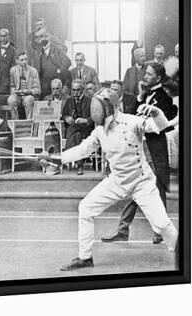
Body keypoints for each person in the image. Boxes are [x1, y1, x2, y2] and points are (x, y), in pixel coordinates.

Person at [40, 88, 178, 271]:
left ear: (110, 107)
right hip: (117, 181)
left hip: (141, 182)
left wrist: (155, 112)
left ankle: (180, 250)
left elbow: (161, 126)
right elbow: (81, 150)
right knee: (86, 208)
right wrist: (55, 158)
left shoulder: (132, 122)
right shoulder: (99, 131)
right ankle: (85, 257)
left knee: (161, 224)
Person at [102, 62, 178, 244]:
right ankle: (123, 230)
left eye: (149, 75)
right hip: (138, 147)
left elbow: (163, 124)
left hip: (154, 149)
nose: (145, 77)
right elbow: (129, 117)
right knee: (134, 187)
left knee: (157, 188)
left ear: (158, 78)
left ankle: (160, 231)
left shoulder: (165, 97)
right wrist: (140, 96)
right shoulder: (145, 95)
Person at [62, 79, 93, 175]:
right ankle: (80, 166)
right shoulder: (69, 101)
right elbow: (64, 115)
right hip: (76, 132)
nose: (75, 92)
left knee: (73, 128)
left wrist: (86, 120)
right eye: (73, 90)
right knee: (77, 136)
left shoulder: (90, 101)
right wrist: (66, 118)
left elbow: (95, 118)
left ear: (83, 89)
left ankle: (66, 156)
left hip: (86, 129)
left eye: (78, 90)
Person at [33, 28, 72, 99]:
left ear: (47, 37)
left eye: (43, 37)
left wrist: (60, 70)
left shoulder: (57, 49)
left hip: (56, 82)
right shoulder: (38, 51)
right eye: (39, 38)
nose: (41, 40)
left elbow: (68, 62)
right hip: (44, 84)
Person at [9, 51, 41, 119]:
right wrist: (14, 91)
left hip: (29, 95)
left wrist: (28, 91)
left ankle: (29, 123)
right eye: (22, 60)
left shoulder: (33, 71)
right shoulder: (13, 70)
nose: (24, 62)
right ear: (17, 61)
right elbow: (12, 86)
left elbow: (38, 90)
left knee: (28, 99)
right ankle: (15, 123)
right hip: (18, 96)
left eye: (26, 59)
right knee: (11, 100)